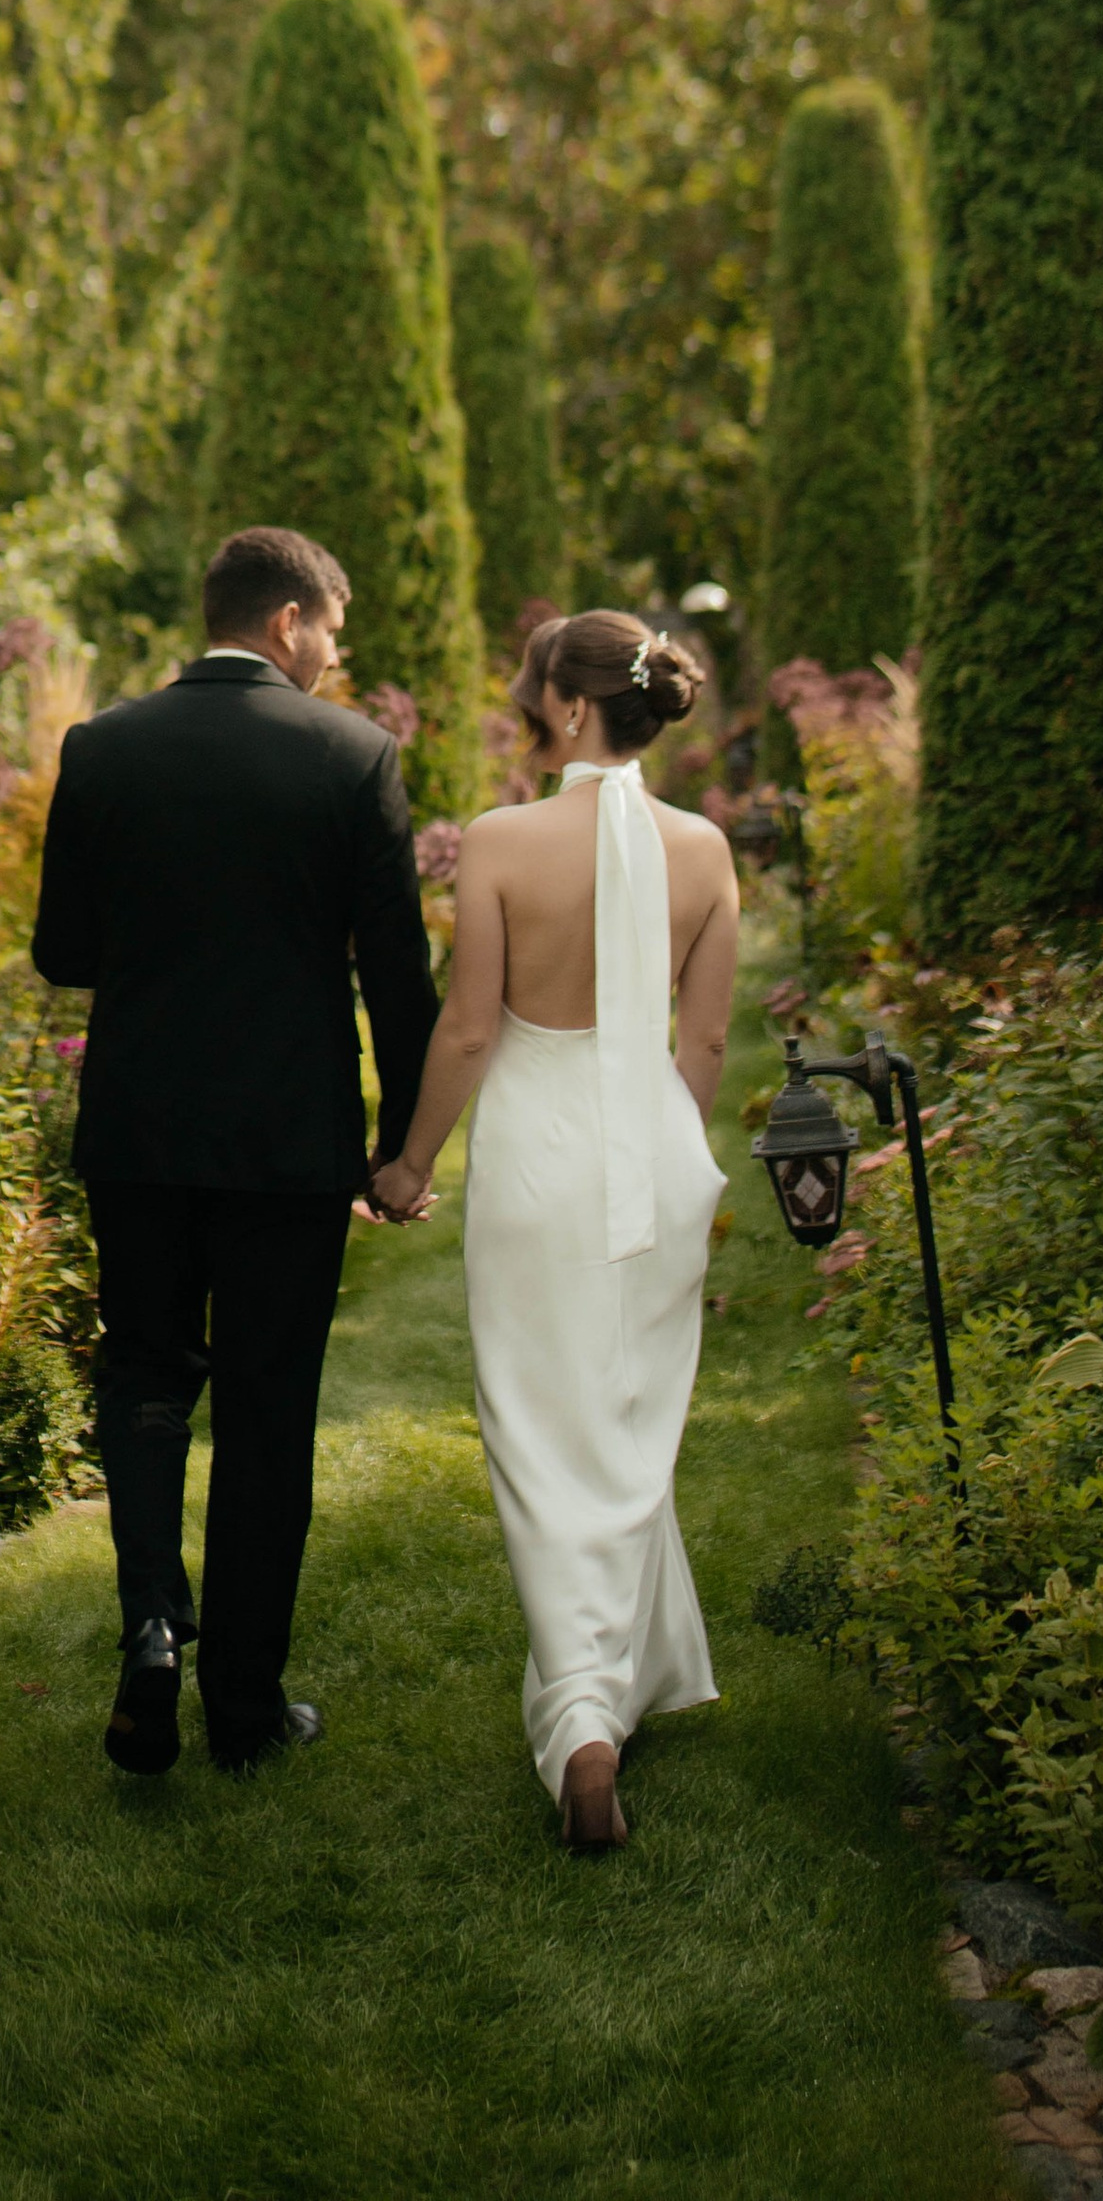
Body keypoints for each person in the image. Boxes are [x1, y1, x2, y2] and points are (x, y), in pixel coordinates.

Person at [32, 523, 437, 1776]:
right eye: (332, 627)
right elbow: (396, 976)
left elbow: (63, 954)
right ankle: (244, 1705)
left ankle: (151, 1625)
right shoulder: (354, 755)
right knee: (268, 1415)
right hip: (285, 1142)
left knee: (147, 1383)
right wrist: (399, 1142)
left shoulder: (103, 749)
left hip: (142, 1133)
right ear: (284, 623)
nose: (338, 650)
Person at [371, 609, 737, 1852]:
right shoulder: (705, 853)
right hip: (655, 1160)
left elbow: (469, 1031)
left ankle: (582, 1719)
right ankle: (613, 1687)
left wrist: (410, 1163)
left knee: (541, 1431)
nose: (533, 714)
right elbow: (706, 1044)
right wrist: (674, 1166)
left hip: (536, 1167)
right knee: (627, 1423)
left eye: (537, 695)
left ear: (574, 710)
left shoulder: (501, 842)